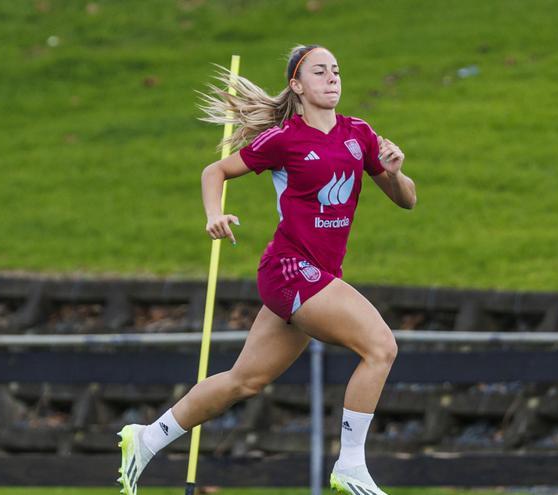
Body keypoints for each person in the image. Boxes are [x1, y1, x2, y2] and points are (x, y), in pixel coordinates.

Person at [117, 44, 417, 495]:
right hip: (289, 270)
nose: (333, 78)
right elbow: (214, 171)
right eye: (320, 72)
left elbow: (407, 200)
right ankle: (351, 466)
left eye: (336, 70)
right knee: (381, 347)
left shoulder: (359, 134)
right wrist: (213, 214)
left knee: (244, 381)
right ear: (297, 85)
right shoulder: (285, 139)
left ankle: (145, 440)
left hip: (318, 275)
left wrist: (393, 173)